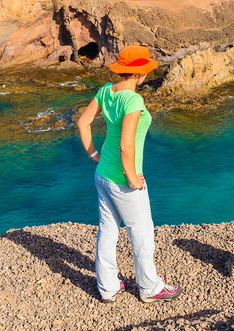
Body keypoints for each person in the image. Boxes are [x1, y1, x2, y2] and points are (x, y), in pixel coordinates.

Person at [77, 45, 181, 303]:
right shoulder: (133, 100)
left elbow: (83, 122)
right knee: (141, 233)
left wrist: (93, 155)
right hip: (123, 180)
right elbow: (126, 144)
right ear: (140, 74)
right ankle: (149, 288)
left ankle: (108, 287)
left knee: (108, 231)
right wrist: (132, 177)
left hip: (102, 174)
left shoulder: (106, 91)